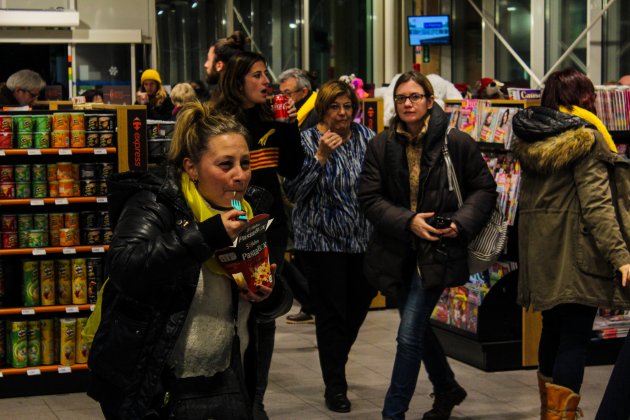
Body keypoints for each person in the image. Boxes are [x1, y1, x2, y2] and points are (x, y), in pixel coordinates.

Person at [86, 101, 291, 419]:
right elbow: (125, 266)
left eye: (245, 163)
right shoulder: (156, 202)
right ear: (192, 168)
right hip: (155, 381)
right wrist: (208, 235)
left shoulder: (251, 210)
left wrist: (267, 293)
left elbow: (274, 300)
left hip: (226, 375)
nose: (240, 176)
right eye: (225, 165)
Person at [358, 71, 497, 420]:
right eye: (402, 97)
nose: (407, 103)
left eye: (415, 97)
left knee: (407, 336)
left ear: (429, 101)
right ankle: (447, 387)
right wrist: (408, 220)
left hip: (437, 250)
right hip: (397, 250)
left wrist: (460, 223)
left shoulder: (456, 142)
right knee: (414, 324)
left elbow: (484, 188)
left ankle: (393, 412)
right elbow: (369, 197)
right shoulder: (381, 144)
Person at [511, 68, 630, 419]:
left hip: (541, 257)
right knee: (575, 338)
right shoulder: (588, 139)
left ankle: (552, 413)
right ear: (583, 98)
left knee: (553, 330)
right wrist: (620, 256)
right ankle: (561, 415)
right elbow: (597, 205)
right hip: (577, 257)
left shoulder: (529, 140)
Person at [211, 51, 303, 420]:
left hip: (270, 231)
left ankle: (256, 401)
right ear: (237, 81)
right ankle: (229, 395)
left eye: (267, 74)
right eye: (257, 75)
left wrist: (289, 125)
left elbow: (293, 168)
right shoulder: (219, 122)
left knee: (262, 313)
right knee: (229, 314)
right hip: (228, 226)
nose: (267, 81)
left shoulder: (272, 118)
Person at [283, 79, 377, 413]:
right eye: (335, 107)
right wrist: (320, 156)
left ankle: (336, 358)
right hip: (321, 243)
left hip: (363, 241)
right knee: (332, 315)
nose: (341, 113)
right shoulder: (306, 140)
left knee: (357, 308)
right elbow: (293, 192)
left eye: (347, 106)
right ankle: (335, 386)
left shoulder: (367, 139)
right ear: (322, 108)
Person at [277, 67, 319, 324]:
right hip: (294, 188)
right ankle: (310, 302)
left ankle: (311, 302)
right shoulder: (297, 113)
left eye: (287, 93)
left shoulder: (312, 114)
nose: (283, 98)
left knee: (297, 250)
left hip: (305, 190)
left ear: (303, 92)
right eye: (280, 93)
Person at [204, 31, 248, 97]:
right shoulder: (243, 96)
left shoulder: (224, 103)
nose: (205, 65)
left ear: (219, 65)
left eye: (208, 59)